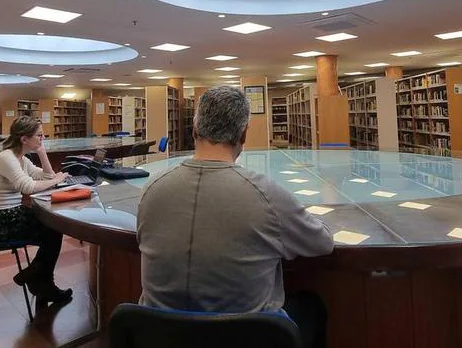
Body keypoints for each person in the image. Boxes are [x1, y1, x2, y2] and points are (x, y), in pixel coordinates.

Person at [137, 86, 334, 348]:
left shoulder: (151, 190)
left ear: (195, 130)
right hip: (248, 339)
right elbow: (322, 243)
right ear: (243, 134)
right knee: (310, 306)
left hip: (158, 337)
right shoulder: (266, 194)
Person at [0, 116, 73, 306]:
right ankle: (38, 278)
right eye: (39, 135)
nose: (42, 138)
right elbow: (27, 187)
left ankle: (38, 279)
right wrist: (56, 181)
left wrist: (42, 151)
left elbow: (45, 176)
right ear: (24, 139)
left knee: (52, 228)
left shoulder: (21, 159)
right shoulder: (6, 158)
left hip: (9, 214)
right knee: (53, 229)